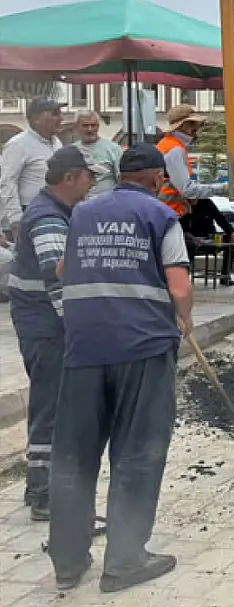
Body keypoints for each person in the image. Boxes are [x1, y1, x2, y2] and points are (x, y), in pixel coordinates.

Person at [48, 143, 194, 593]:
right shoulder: (161, 216)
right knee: (137, 453)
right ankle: (126, 559)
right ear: (154, 178)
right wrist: (185, 319)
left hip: (83, 349)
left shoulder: (82, 214)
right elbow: (179, 283)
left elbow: (60, 270)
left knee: (73, 455)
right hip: (142, 349)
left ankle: (69, 562)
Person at [8, 146, 105, 520]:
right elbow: (57, 278)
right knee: (51, 409)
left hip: (43, 323)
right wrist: (80, 329)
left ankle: (42, 485)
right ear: (69, 178)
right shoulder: (49, 218)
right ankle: (44, 495)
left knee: (54, 407)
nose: (93, 182)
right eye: (88, 175)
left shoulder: (59, 211)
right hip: (45, 327)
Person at [0, 97, 64, 241]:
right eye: (54, 114)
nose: (61, 118)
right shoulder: (18, 145)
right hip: (28, 214)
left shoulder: (57, 143)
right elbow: (7, 183)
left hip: (52, 211)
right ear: (36, 119)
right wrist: (16, 220)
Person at [155, 104, 227, 218]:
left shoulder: (168, 144)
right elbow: (187, 190)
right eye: (194, 124)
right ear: (184, 125)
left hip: (164, 211)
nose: (197, 129)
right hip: (168, 213)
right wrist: (223, 188)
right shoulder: (175, 150)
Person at [181, 197, 234, 285]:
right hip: (192, 239)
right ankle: (184, 278)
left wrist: (232, 233)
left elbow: (220, 218)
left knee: (230, 243)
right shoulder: (183, 205)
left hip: (210, 238)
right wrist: (193, 238)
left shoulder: (206, 202)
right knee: (189, 247)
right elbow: (182, 228)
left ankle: (225, 275)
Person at [72, 109, 123, 200]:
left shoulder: (113, 149)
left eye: (93, 125)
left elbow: (121, 181)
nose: (90, 129)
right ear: (76, 127)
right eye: (85, 125)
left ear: (98, 126)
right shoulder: (71, 151)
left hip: (107, 204)